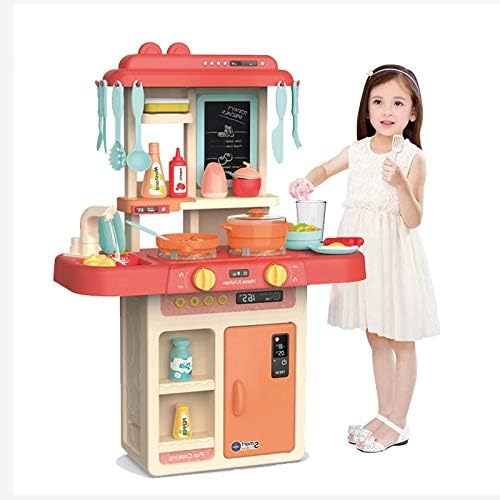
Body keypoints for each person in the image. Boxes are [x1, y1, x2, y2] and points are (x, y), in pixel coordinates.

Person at [289, 64, 439, 453]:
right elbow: (325, 169)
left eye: (398, 103)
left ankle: (398, 422)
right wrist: (306, 181)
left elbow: (414, 219)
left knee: (401, 337)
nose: (387, 110)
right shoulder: (357, 151)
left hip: (395, 256)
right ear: (367, 108)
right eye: (378, 102)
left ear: (413, 112)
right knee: (376, 336)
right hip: (363, 256)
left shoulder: (413, 158)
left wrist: (401, 183)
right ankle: (384, 414)